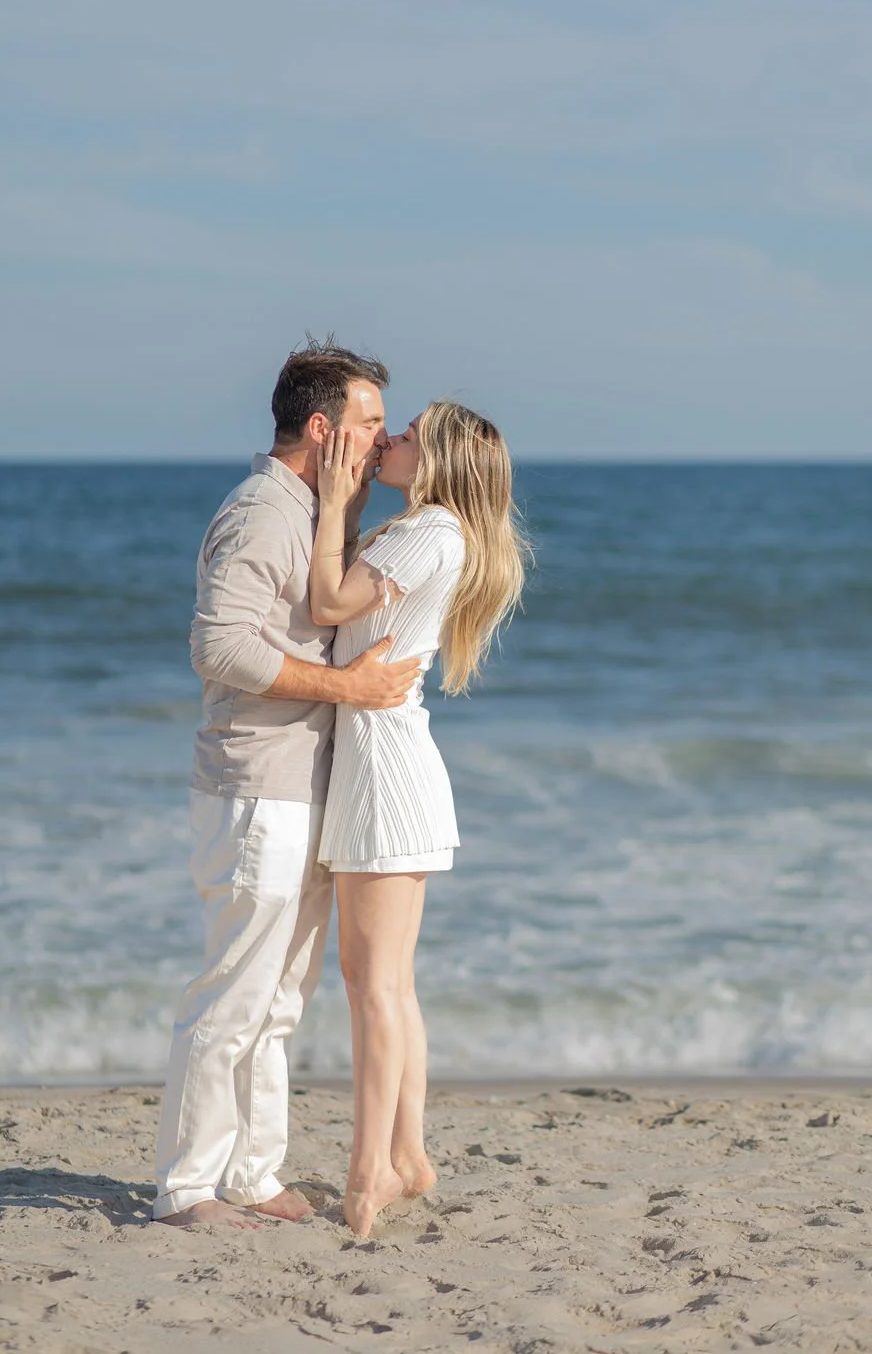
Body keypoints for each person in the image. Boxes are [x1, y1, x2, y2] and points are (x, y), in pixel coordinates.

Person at [153, 339, 423, 1232]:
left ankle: (251, 1173)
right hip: (253, 783)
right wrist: (349, 689)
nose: (383, 442)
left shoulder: (314, 512)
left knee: (279, 1000)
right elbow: (219, 647)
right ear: (322, 427)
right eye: (371, 423)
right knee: (232, 994)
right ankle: (188, 1188)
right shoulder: (263, 514)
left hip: (303, 783)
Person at [309, 401, 528, 1237]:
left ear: (434, 461)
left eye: (405, 436)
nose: (389, 439)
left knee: (374, 990)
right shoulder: (433, 531)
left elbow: (329, 602)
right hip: (389, 770)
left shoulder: (429, 529)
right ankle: (408, 1157)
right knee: (386, 985)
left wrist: (333, 501)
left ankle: (370, 1177)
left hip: (386, 777)